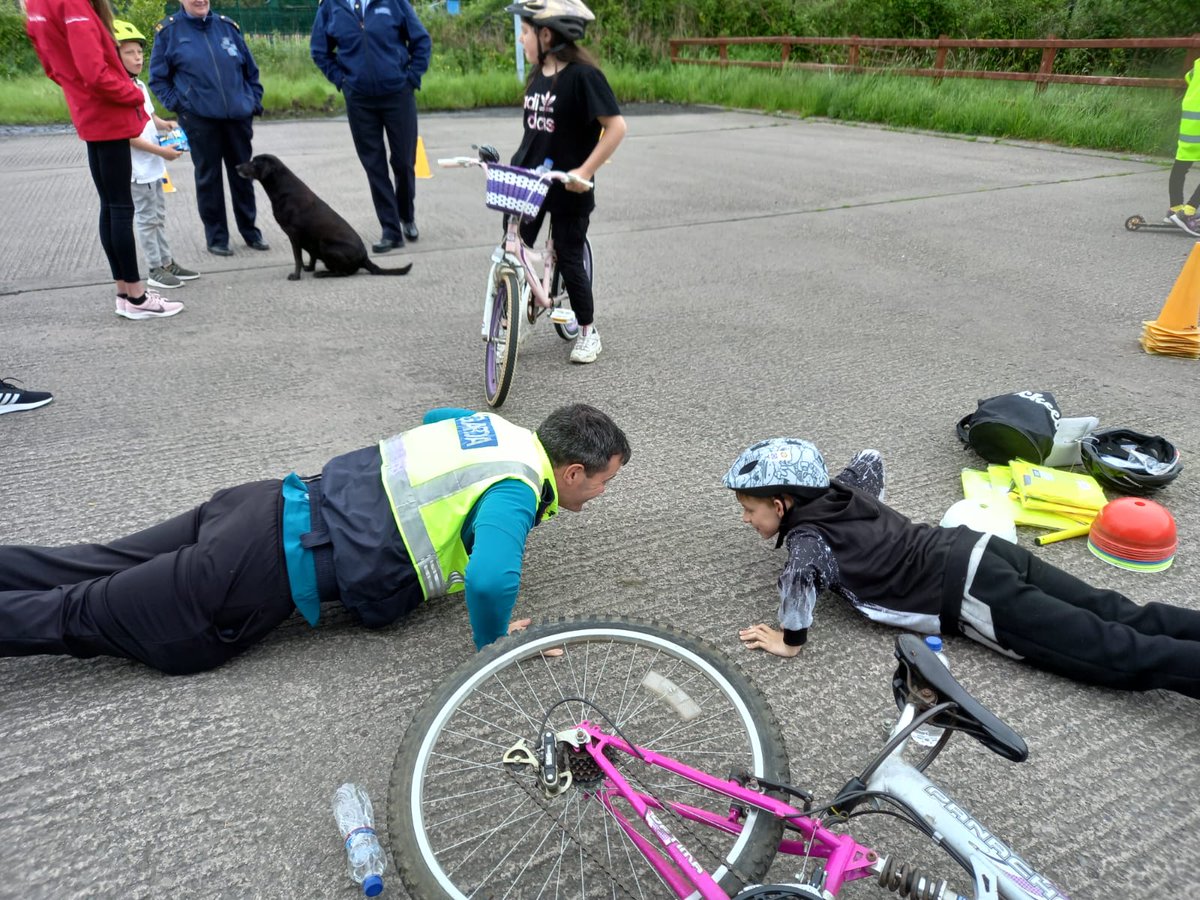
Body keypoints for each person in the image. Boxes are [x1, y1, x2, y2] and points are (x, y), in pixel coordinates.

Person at [0, 404, 630, 675]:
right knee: (76, 614)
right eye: (605, 481)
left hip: (260, 503)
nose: (601, 494)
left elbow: (439, 421)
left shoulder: (497, 429)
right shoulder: (518, 489)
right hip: (253, 571)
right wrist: (495, 646)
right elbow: (493, 577)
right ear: (572, 471)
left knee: (83, 565)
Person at [724, 437, 1200, 699]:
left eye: (750, 509)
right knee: (1117, 609)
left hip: (971, 593)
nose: (747, 520)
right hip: (982, 548)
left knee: (1113, 652)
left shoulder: (809, 543)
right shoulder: (845, 489)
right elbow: (871, 458)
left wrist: (790, 641)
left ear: (783, 504)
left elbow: (798, 581)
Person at [24, 0, 184, 320]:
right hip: (107, 113)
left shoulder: (36, 5)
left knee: (110, 207)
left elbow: (53, 67)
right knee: (121, 208)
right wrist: (133, 93)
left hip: (88, 112)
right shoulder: (74, 5)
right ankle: (137, 298)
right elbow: (94, 72)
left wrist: (79, 94)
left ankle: (125, 293)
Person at [504, 0, 627, 365]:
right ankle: (513, 317)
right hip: (530, 181)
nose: (521, 40)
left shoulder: (583, 77)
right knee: (514, 247)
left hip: (569, 184)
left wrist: (584, 172)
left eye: (525, 32)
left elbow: (617, 128)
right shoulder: (538, 74)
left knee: (570, 257)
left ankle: (588, 332)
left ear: (546, 34)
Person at [149, 0, 269, 257]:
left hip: (237, 118)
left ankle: (250, 231)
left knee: (244, 174)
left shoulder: (228, 28)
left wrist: (252, 103)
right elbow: (158, 80)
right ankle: (217, 237)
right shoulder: (169, 32)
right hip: (200, 120)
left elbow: (251, 73)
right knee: (208, 178)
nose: (200, 0)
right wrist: (182, 108)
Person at [310, 0, 431, 253]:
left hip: (398, 94)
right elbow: (319, 51)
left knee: (404, 162)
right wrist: (342, 81)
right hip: (360, 99)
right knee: (374, 166)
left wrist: (411, 78)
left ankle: (406, 215)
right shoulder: (330, 6)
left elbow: (421, 41)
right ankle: (390, 230)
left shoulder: (394, 2)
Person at [113, 19, 201, 291]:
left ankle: (166, 262)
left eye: (140, 52)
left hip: (153, 167)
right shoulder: (118, 90)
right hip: (137, 171)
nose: (138, 57)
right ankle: (154, 268)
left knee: (158, 216)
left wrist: (164, 124)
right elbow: (128, 135)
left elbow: (148, 116)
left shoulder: (138, 86)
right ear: (114, 56)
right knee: (147, 220)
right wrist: (161, 151)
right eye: (129, 52)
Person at [1166, 57, 1200, 237]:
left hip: (1189, 124)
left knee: (1181, 166)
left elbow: (1189, 77)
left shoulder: (1198, 63)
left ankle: (1175, 209)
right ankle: (1188, 212)